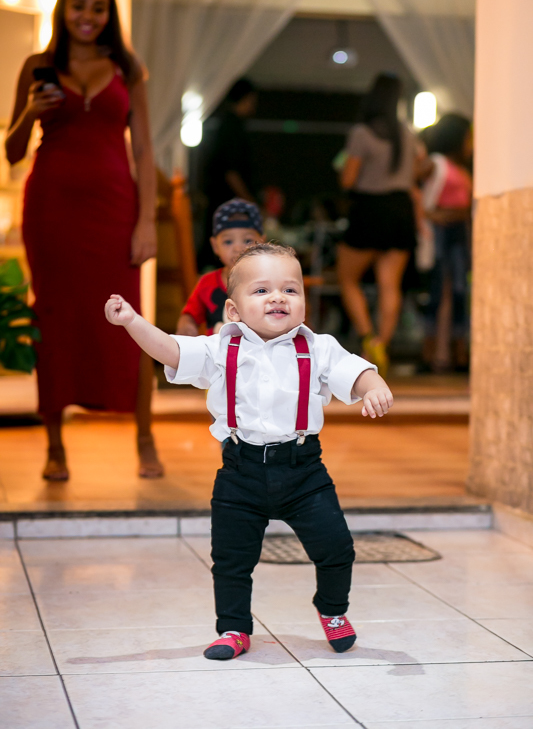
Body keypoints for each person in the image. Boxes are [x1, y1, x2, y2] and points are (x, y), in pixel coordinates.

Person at [105, 243, 394, 659]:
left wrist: (374, 386)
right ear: (233, 310)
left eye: (290, 290)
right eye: (261, 290)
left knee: (337, 548)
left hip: (303, 471)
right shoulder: (220, 348)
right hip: (240, 471)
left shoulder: (318, 347)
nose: (278, 298)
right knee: (230, 559)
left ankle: (332, 610)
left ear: (304, 303)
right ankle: (234, 628)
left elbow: (357, 371)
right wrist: (132, 321)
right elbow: (171, 350)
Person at [5, 0, 161, 481]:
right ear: (63, 9)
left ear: (109, 13)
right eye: (79, 6)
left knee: (129, 321)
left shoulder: (127, 68)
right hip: (51, 212)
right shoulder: (38, 65)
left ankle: (145, 439)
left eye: (98, 7)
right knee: (54, 321)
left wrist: (146, 221)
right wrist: (31, 111)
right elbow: (13, 151)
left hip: (115, 211)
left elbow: (144, 148)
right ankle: (55, 447)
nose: (88, 16)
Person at [336, 73, 420, 376]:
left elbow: (348, 179)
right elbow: (417, 171)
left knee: (347, 278)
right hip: (401, 209)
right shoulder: (407, 133)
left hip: (370, 209)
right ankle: (382, 345)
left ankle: (368, 338)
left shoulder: (362, 133)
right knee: (390, 284)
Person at [419, 114, 473, 372]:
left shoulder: (463, 167)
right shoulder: (435, 163)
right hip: (440, 232)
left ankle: (457, 353)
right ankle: (431, 354)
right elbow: (411, 187)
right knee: (438, 291)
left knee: (460, 292)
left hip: (459, 233)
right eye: (468, 136)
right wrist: (430, 215)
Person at [177, 198, 265, 337]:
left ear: (262, 243)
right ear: (215, 246)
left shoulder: (269, 281)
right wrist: (186, 326)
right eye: (228, 241)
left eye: (247, 240)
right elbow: (189, 315)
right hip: (216, 351)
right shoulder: (207, 283)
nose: (238, 248)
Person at [203, 78, 257, 211]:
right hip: (228, 205)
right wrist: (248, 200)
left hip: (225, 203)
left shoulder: (227, 124)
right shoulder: (232, 128)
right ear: (246, 98)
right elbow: (231, 171)